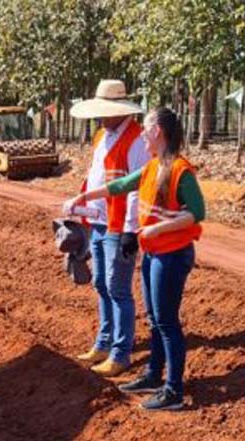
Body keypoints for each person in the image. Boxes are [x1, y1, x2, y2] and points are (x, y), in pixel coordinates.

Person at [67, 107, 205, 411]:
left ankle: (174, 390)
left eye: (146, 128)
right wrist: (84, 198)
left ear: (158, 132)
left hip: (172, 254)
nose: (142, 133)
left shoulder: (180, 170)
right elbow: (119, 185)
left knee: (167, 322)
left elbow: (197, 212)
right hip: (155, 252)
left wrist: (158, 227)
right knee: (155, 319)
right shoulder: (153, 167)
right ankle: (154, 375)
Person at [65, 80, 148, 377]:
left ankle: (120, 353)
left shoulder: (137, 140)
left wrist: (130, 230)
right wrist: (81, 207)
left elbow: (139, 186)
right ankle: (103, 342)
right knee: (101, 284)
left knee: (118, 289)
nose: (100, 117)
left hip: (118, 224)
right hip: (98, 221)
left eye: (105, 111)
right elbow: (95, 177)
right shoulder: (102, 136)